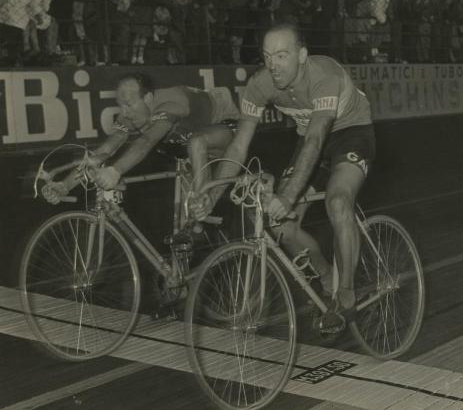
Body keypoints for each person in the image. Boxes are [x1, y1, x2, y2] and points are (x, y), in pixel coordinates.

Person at [190, 22, 375, 333]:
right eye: (267, 56)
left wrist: (288, 196)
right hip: (310, 138)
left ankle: (346, 295)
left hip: (351, 134)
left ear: (302, 55)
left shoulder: (324, 76)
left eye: (282, 55)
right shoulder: (260, 84)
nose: (273, 65)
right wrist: (212, 193)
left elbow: (317, 139)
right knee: (281, 227)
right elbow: (238, 146)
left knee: (338, 200)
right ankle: (327, 275)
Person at [42, 73, 239, 232]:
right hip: (186, 136)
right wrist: (64, 185)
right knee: (183, 154)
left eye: (128, 104)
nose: (124, 112)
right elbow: (103, 151)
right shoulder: (133, 112)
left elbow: (147, 141)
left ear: (148, 98)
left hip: (222, 124)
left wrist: (115, 171)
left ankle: (202, 205)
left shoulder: (171, 103)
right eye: (121, 105)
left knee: (196, 143)